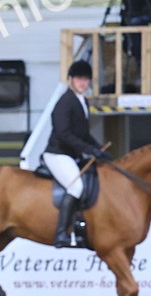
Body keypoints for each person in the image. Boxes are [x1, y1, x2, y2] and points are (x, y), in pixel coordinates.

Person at [42, 60, 110, 248]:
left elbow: (84, 133)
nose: (83, 83)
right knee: (76, 187)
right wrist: (89, 150)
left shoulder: (83, 101)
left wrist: (99, 148)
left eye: (86, 79)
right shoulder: (65, 102)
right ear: (70, 79)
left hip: (72, 155)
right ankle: (61, 233)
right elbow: (64, 134)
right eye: (79, 79)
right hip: (58, 154)